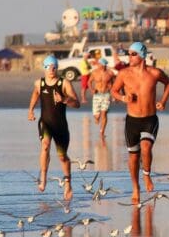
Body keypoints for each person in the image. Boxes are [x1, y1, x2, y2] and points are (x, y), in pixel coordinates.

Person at [110, 42, 169, 204]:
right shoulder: (124, 74)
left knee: (146, 147)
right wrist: (124, 98)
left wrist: (163, 101)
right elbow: (114, 91)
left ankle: (146, 175)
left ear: (142, 56)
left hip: (150, 119)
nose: (129, 57)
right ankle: (135, 187)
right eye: (128, 54)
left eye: (132, 54)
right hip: (132, 121)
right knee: (133, 156)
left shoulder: (154, 73)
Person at [27, 55, 80, 200]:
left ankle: (68, 183)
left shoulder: (65, 83)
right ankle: (43, 176)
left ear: (57, 68)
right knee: (45, 145)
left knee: (62, 157)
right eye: (49, 66)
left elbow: (77, 103)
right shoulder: (39, 83)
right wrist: (31, 110)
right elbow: (35, 95)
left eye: (54, 67)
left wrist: (63, 99)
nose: (51, 69)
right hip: (45, 122)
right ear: (44, 68)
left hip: (61, 126)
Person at [89, 58, 115, 137]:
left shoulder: (110, 73)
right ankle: (97, 118)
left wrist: (113, 95)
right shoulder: (94, 73)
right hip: (97, 94)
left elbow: (113, 84)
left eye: (102, 65)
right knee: (97, 116)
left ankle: (102, 132)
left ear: (105, 65)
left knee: (104, 114)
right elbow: (89, 82)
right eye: (100, 64)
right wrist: (92, 89)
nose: (100, 66)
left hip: (106, 95)